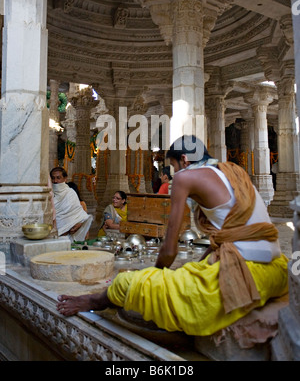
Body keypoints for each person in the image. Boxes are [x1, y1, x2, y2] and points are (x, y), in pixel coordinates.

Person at [57, 136, 288, 338]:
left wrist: (152, 279)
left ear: (185, 160)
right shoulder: (234, 171)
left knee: (127, 283)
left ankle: (93, 302)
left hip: (245, 279)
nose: (173, 172)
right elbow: (226, 239)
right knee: (192, 270)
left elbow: (169, 251)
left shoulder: (185, 178)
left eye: (174, 166)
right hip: (276, 272)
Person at [50, 167, 92, 242]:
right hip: (53, 236)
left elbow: (80, 215)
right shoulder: (49, 194)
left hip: (70, 237)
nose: (55, 181)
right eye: (53, 178)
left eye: (58, 178)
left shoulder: (70, 193)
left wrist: (78, 224)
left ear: (65, 179)